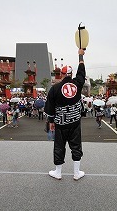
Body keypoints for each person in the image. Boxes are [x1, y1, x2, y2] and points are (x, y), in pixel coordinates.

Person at [44, 49, 86, 181]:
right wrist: (80, 56)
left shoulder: (55, 88)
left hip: (60, 123)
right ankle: (76, 173)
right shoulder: (78, 84)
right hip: (74, 121)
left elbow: (50, 108)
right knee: (76, 146)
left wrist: (51, 122)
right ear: (71, 74)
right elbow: (82, 72)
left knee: (59, 146)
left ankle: (58, 172)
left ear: (61, 74)